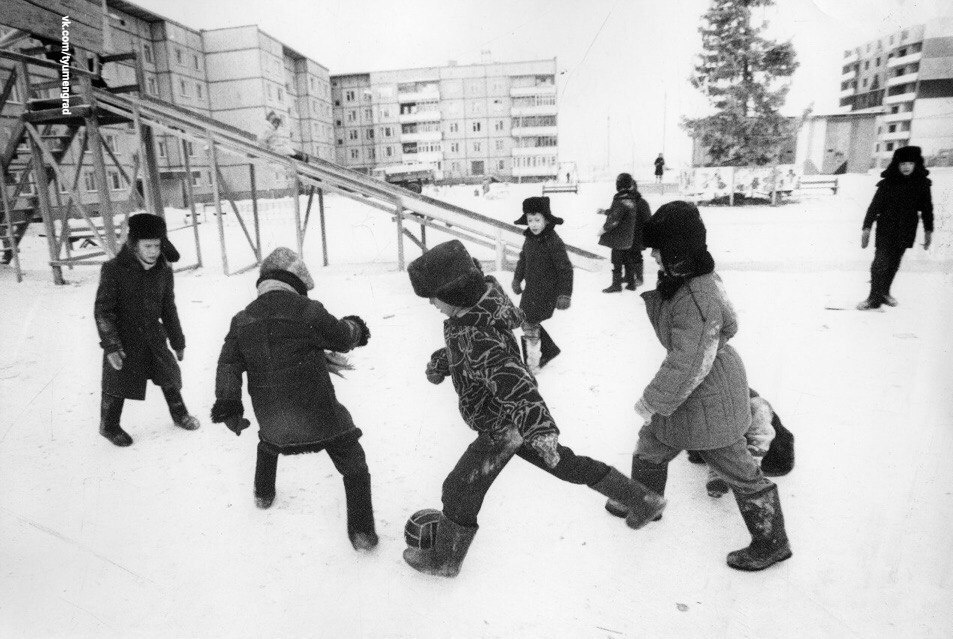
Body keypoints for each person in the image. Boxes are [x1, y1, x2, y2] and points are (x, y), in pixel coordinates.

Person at [403, 240, 666, 578]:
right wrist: (444, 363)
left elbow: (518, 388)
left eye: (433, 297)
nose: (431, 304)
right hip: (513, 422)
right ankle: (641, 499)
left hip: (504, 426)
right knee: (565, 463)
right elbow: (466, 355)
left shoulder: (480, 334)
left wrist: (540, 431)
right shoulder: (471, 316)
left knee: (460, 487)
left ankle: (445, 560)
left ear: (453, 293)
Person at [605, 201, 792, 571]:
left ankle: (772, 540)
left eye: (658, 249)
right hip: (691, 394)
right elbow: (729, 324)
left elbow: (688, 363)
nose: (653, 256)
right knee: (650, 446)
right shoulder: (688, 280)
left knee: (735, 466)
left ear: (676, 250)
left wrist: (652, 400)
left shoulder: (696, 296)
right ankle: (646, 501)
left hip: (709, 397)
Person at [210, 247, 378, 551]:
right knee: (353, 462)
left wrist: (229, 405)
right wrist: (357, 327)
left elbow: (228, 365)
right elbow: (341, 337)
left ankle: (263, 495)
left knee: (267, 444)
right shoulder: (307, 310)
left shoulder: (242, 319)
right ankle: (362, 532)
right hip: (320, 419)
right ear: (295, 281)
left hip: (275, 423)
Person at [94, 213, 199, 447]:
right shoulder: (114, 270)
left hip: (153, 334)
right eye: (147, 246)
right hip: (124, 338)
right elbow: (103, 310)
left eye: (157, 245)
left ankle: (180, 414)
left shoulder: (163, 270)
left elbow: (168, 308)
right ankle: (108, 426)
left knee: (168, 373)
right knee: (118, 380)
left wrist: (178, 340)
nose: (153, 251)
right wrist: (111, 345)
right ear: (134, 245)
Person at [857, 145, 934, 310]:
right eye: (902, 164)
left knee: (893, 263)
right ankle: (873, 298)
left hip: (906, 230)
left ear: (916, 165)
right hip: (886, 229)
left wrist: (928, 231)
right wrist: (867, 227)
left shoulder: (922, 185)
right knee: (879, 263)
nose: (906, 167)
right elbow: (874, 206)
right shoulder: (887, 184)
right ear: (897, 165)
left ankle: (884, 292)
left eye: (910, 163)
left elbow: (927, 209)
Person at [512, 197, 573, 373]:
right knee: (526, 319)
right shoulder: (529, 239)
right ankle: (547, 350)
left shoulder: (553, 241)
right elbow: (523, 260)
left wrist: (564, 294)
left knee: (529, 322)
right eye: (530, 220)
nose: (534, 224)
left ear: (546, 220)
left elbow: (565, 269)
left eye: (537, 220)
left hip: (547, 290)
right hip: (532, 289)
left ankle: (532, 364)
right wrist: (517, 279)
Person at [597, 173, 652, 292]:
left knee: (632, 257)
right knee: (628, 257)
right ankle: (629, 279)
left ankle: (638, 278)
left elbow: (618, 214)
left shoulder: (639, 202)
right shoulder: (630, 200)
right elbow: (618, 212)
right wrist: (605, 212)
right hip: (629, 234)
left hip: (636, 234)